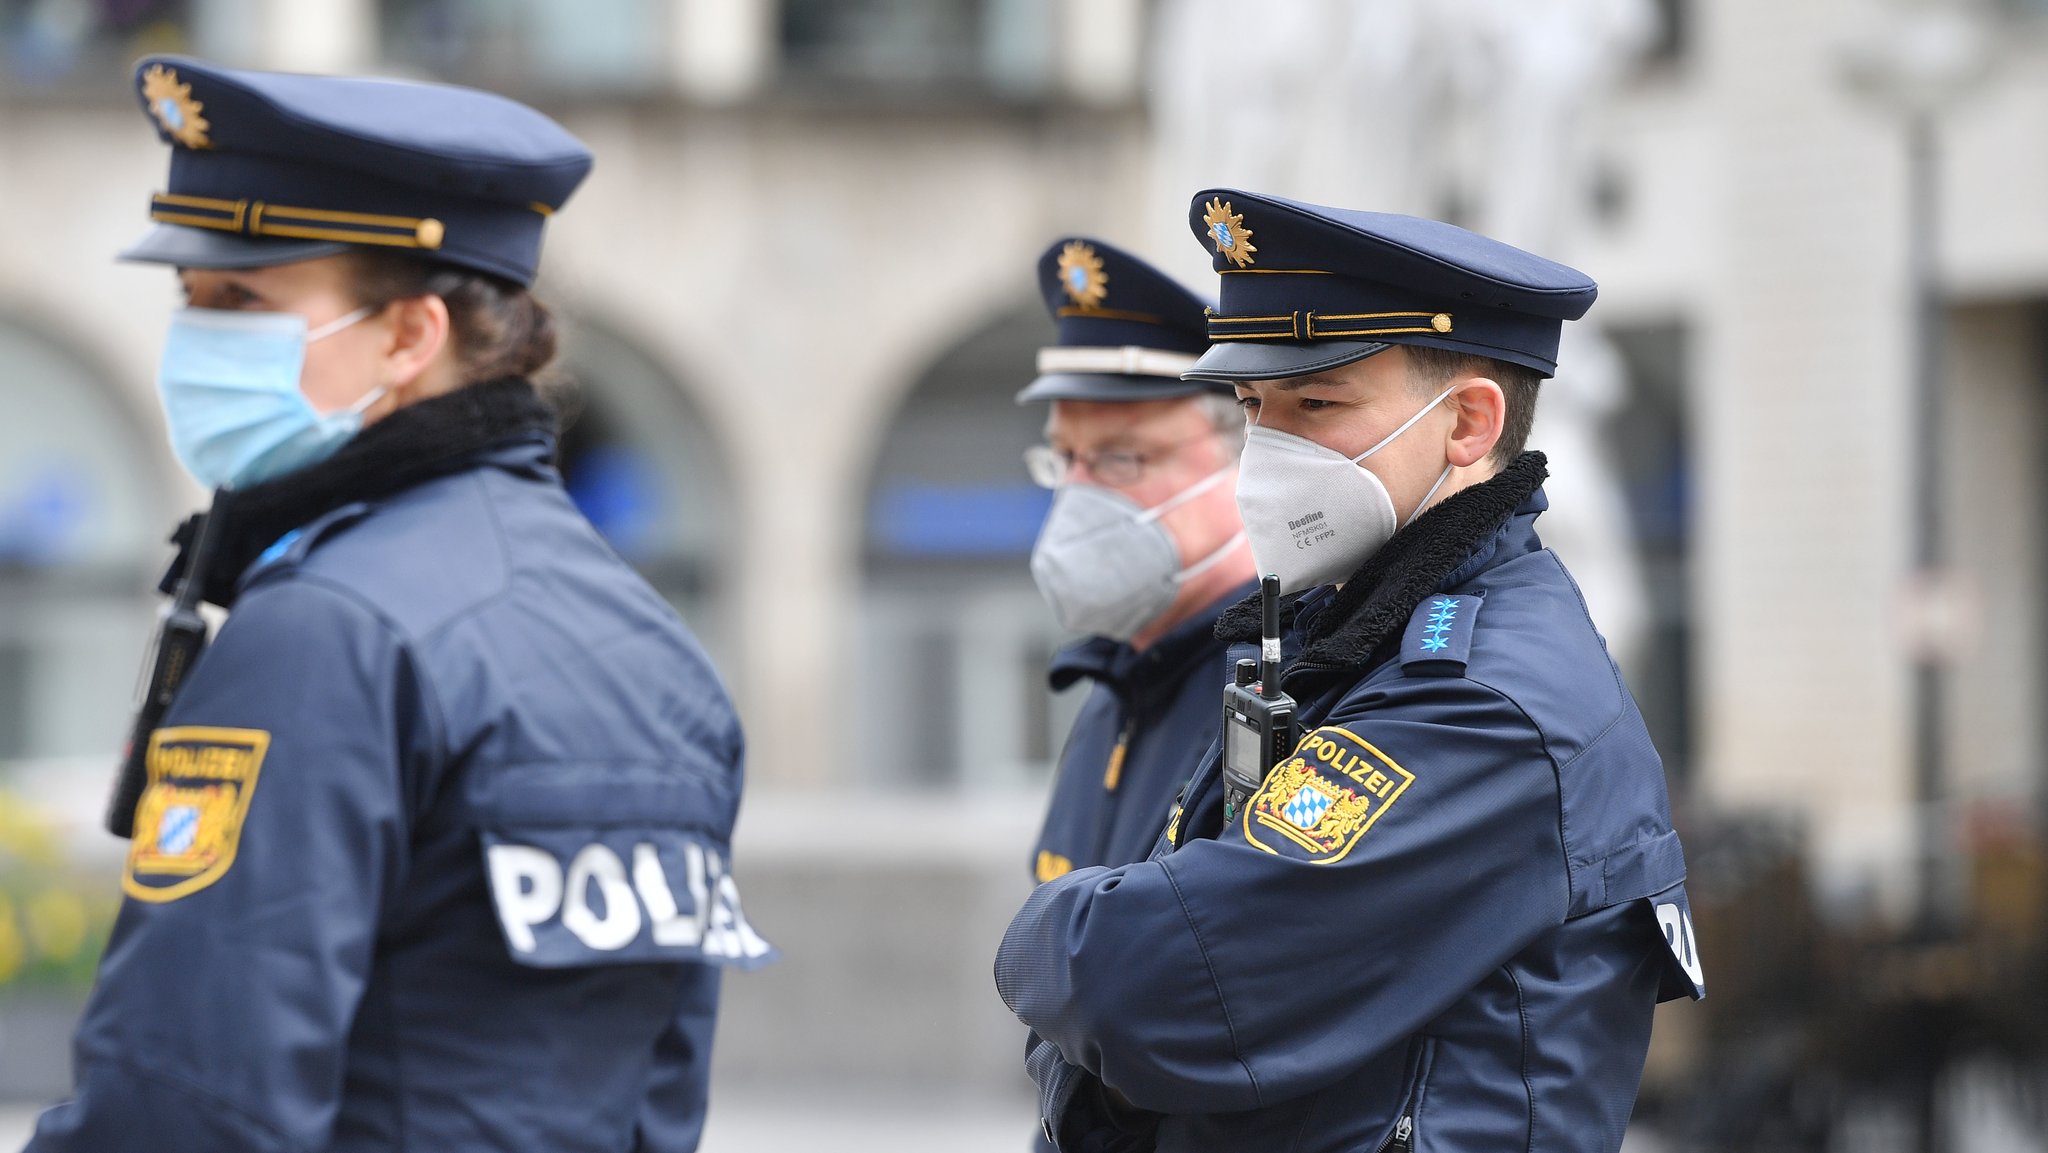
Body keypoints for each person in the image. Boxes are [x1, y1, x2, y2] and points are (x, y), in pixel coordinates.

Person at [28, 57, 770, 1153]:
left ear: (410, 336)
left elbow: (189, 1105)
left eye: (242, 299)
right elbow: (658, 1089)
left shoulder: (327, 626)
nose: (196, 339)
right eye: (192, 300)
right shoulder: (653, 645)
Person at [995, 190, 1705, 1153]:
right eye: (1255, 410)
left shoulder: (1484, 699)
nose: (1271, 451)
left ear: (1467, 423)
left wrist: (1058, 947)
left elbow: (1140, 980)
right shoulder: (1345, 640)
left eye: (1316, 405)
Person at [1020, 236, 1254, 887]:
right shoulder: (1116, 684)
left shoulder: (1273, 685)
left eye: (1123, 458)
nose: (1083, 490)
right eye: (1065, 458)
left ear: (1240, 457)